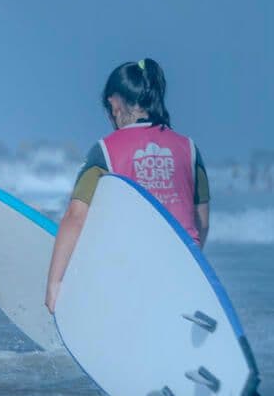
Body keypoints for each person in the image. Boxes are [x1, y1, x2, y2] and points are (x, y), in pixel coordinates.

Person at [45, 58, 209, 312]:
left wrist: (55, 284)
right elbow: (201, 221)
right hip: (187, 270)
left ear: (114, 102)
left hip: (131, 272)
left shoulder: (106, 150)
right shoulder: (189, 148)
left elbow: (75, 218)